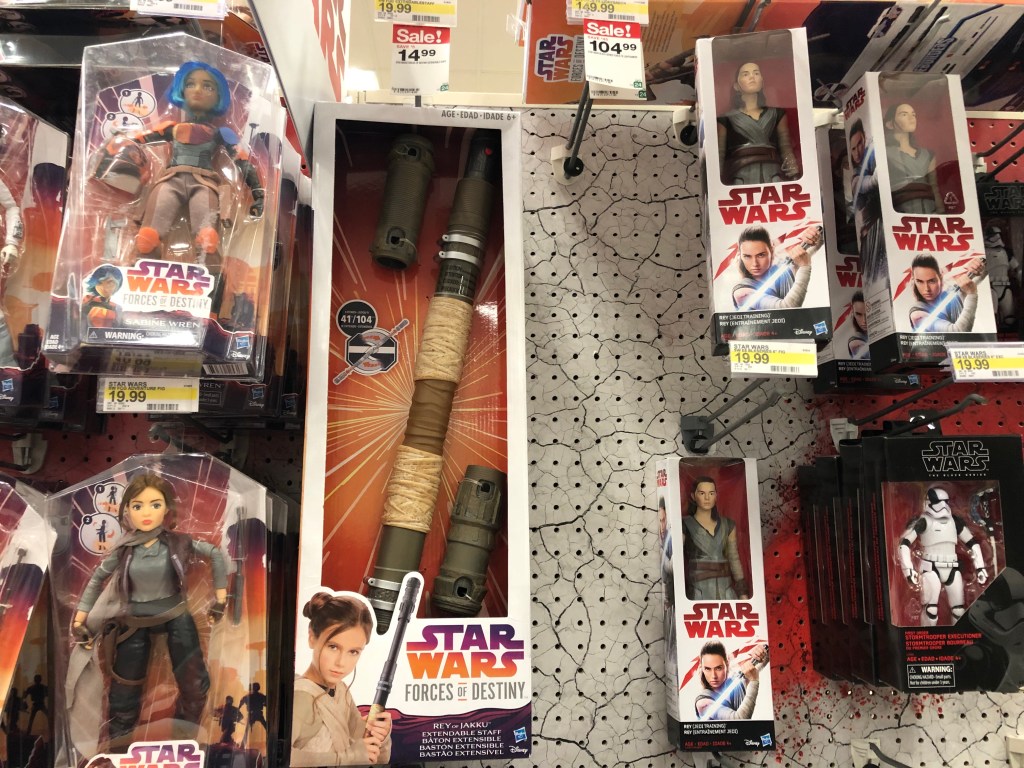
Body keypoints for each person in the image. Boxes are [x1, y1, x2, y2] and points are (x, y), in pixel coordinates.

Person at [71, 472, 228, 745]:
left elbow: (214, 553)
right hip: (135, 621)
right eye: (137, 505)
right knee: (124, 692)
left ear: (167, 509)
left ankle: (185, 741)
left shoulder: (178, 543)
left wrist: (221, 598)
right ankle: (118, 749)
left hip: (176, 615)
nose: (146, 513)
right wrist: (80, 619)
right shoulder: (125, 549)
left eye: (155, 505)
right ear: (127, 510)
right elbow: (97, 578)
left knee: (194, 684)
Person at [112, 61, 264, 266]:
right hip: (170, 180)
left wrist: (257, 192)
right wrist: (117, 144)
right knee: (148, 237)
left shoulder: (222, 133)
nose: (198, 90)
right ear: (181, 89)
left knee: (208, 240)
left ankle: (210, 278)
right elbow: (138, 139)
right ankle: (143, 270)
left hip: (204, 183)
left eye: (208, 86)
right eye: (191, 84)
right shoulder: (170, 128)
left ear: (219, 96)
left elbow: (242, 161)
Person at [291, 592, 392, 766]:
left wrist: (379, 735)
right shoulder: (301, 697)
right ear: (312, 637)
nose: (341, 662)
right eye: (333, 647)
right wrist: (348, 757)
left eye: (353, 652)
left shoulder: (340, 690)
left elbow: (374, 757)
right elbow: (278, 759)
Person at [899, 486, 988, 626]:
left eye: (945, 501)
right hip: (931, 568)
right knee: (930, 609)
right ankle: (927, 636)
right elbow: (904, 544)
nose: (942, 506)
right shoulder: (924, 521)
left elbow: (972, 543)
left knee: (959, 610)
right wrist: (908, 570)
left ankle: (958, 637)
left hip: (952, 568)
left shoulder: (955, 521)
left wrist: (980, 567)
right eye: (938, 501)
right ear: (929, 502)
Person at [717, 61, 799, 185]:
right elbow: (720, 155)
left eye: (756, 73)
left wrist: (794, 174)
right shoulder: (726, 119)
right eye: (745, 74)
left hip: (773, 174)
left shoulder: (777, 114)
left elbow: (786, 148)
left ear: (762, 81)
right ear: (736, 86)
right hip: (741, 176)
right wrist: (717, 181)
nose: (752, 77)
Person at [681, 477, 750, 600]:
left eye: (711, 493)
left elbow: (734, 559)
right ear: (693, 496)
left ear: (716, 496)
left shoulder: (727, 525)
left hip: (726, 592)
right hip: (697, 593)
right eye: (702, 493)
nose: (707, 498)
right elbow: (676, 561)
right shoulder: (684, 524)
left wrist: (742, 593)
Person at [731, 225, 820, 311]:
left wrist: (813, 234)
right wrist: (805, 267)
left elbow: (820, 239)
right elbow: (787, 308)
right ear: (740, 256)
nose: (755, 264)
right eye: (747, 256)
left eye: (761, 255)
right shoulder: (741, 293)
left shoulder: (782, 270)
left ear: (771, 250)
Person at [883, 102, 943, 215]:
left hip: (929, 211)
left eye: (913, 114)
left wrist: (941, 212)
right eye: (904, 114)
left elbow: (934, 187)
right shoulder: (884, 153)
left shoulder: (927, 154)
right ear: (890, 124)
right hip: (900, 212)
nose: (911, 118)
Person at [908, 253, 985, 333]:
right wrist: (972, 294)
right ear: (914, 281)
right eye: (920, 282)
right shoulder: (917, 315)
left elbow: (981, 274)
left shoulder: (949, 294)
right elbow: (959, 332)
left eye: (931, 281)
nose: (926, 289)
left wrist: (978, 264)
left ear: (940, 277)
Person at [693, 641, 766, 720]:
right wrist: (754, 681)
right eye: (707, 669)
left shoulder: (736, 682)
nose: (713, 676)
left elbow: (764, 659)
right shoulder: (703, 703)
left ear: (727, 664)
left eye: (718, 668)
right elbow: (739, 719)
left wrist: (762, 650)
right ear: (702, 668)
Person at [82, 265, 122, 329]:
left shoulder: (117, 308)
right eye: (99, 283)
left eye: (110, 283)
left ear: (117, 284)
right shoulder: (87, 300)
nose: (104, 287)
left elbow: (118, 326)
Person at [847, 290, 869, 359]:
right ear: (853, 312)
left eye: (867, 313)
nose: (864, 321)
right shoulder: (855, 342)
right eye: (858, 314)